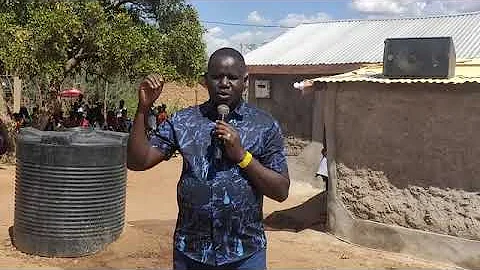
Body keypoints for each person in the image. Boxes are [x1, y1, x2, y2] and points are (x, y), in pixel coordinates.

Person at [127, 47, 290, 270]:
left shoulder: (264, 125)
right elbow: (138, 161)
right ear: (205, 81)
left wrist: (242, 156)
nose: (224, 83)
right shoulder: (184, 121)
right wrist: (143, 109)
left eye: (232, 77)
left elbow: (281, 191)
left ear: (245, 81)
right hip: (192, 252)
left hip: (244, 253)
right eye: (216, 77)